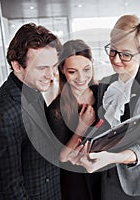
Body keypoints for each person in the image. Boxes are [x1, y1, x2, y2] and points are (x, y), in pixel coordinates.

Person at [80, 15, 140, 199]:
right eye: (112, 50)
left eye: (126, 54)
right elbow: (102, 128)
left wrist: (112, 157)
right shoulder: (105, 85)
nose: (116, 60)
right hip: (109, 182)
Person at [0, 23, 62, 199]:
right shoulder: (2, 115)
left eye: (53, 66)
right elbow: (9, 190)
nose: (51, 74)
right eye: (42, 68)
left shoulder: (31, 88)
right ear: (17, 65)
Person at [45, 39, 101, 200]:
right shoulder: (56, 110)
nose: (81, 77)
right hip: (77, 182)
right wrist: (82, 127)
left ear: (92, 64)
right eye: (72, 71)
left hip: (104, 176)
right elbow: (62, 157)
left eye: (86, 69)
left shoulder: (103, 94)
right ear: (62, 69)